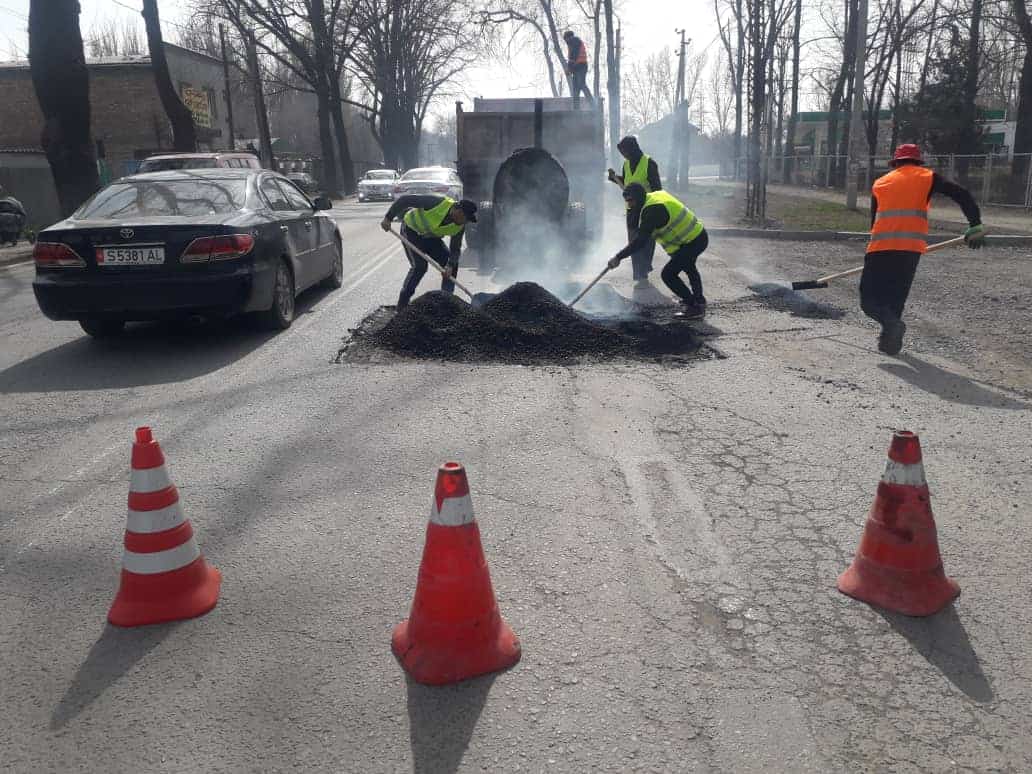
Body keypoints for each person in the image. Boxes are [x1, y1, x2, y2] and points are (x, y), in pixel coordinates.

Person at [862, 143, 985, 355]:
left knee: (869, 301)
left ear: (895, 162)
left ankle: (890, 329)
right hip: (911, 248)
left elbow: (874, 222)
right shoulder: (928, 177)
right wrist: (975, 224)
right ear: (918, 161)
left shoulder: (880, 183)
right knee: (896, 296)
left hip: (881, 247)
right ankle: (890, 341)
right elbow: (962, 194)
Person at [608, 183, 709, 319]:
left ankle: (694, 307)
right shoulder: (650, 197)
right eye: (627, 201)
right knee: (689, 267)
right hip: (694, 237)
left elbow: (640, 241)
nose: (629, 205)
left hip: (693, 240)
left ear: (638, 198)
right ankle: (699, 301)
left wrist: (618, 257)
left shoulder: (652, 210)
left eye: (631, 201)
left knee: (668, 275)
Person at [381, 195, 478, 309]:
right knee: (420, 267)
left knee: (451, 264)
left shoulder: (459, 226)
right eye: (465, 218)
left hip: (431, 238)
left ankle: (446, 302)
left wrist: (450, 265)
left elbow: (455, 249)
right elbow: (405, 200)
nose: (465, 222)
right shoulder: (437, 202)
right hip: (411, 231)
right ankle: (402, 305)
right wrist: (388, 218)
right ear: (459, 211)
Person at [607, 135, 663, 287]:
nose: (623, 155)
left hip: (647, 209)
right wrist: (614, 178)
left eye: (624, 151)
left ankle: (643, 271)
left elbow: (658, 189)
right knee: (633, 241)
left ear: (633, 149)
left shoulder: (649, 163)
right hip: (632, 209)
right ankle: (640, 274)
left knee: (646, 241)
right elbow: (626, 183)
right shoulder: (626, 164)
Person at [563, 30, 594, 109]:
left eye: (566, 39)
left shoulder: (574, 41)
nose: (566, 41)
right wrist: (570, 69)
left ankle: (593, 104)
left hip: (581, 66)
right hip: (577, 68)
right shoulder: (572, 43)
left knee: (581, 84)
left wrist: (569, 69)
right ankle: (576, 109)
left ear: (568, 37)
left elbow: (573, 56)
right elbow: (572, 58)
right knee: (576, 89)